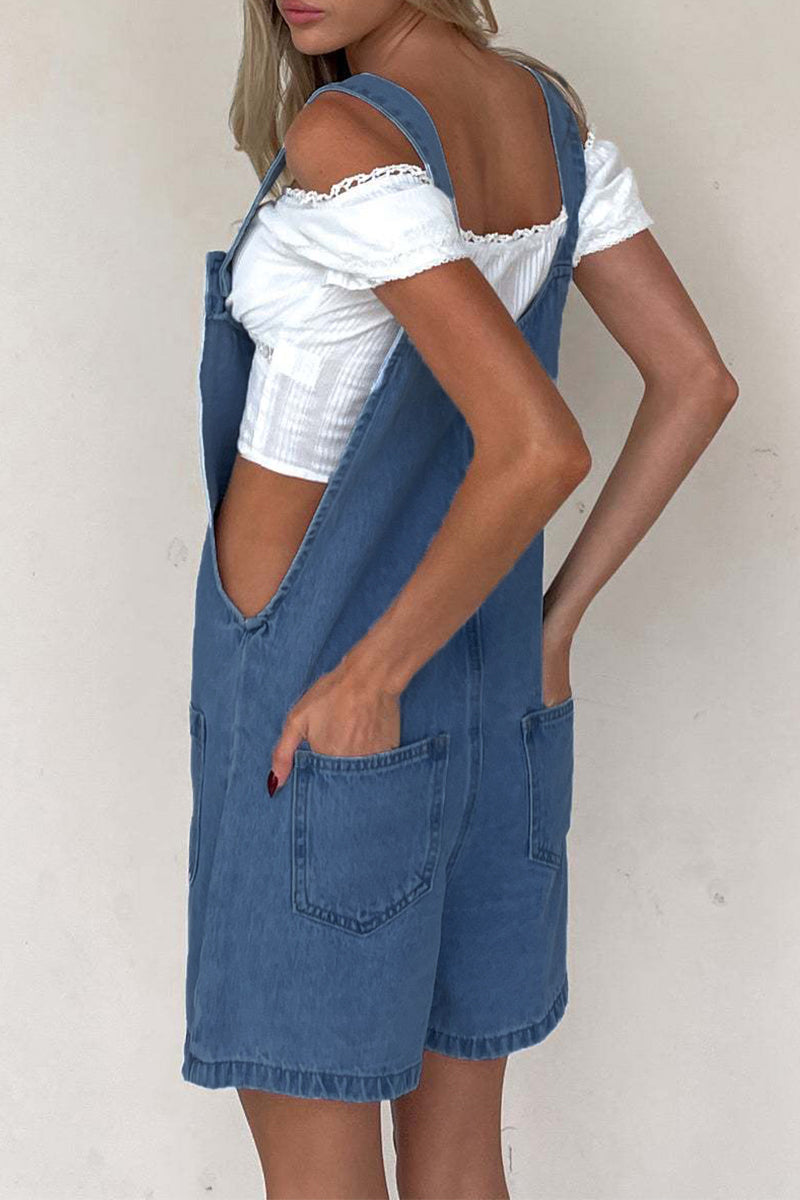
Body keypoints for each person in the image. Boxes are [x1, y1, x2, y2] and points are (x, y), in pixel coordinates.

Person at [182, 2, 739, 1196]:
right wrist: (553, 623)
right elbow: (693, 379)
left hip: (321, 693)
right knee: (456, 1159)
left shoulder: (345, 134)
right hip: (490, 689)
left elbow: (538, 447)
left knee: (318, 1166)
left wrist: (368, 676)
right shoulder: (545, 118)